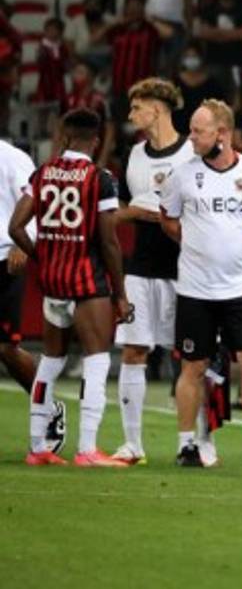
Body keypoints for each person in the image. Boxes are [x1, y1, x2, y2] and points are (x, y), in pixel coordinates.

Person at [159, 99, 242, 469]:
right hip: (194, 289)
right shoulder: (181, 175)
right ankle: (186, 446)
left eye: (198, 131)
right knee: (193, 367)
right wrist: (198, 247)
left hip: (240, 287)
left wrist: (237, 248)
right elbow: (168, 219)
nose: (191, 137)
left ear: (222, 134)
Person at [9, 109, 130, 467]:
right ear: (94, 140)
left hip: (53, 281)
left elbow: (16, 227)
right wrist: (120, 294)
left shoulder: (42, 173)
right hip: (86, 280)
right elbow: (109, 242)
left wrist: (41, 257)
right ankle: (88, 449)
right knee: (96, 359)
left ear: (64, 137)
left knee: (50, 362)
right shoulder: (100, 178)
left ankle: (37, 447)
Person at [112, 78, 195, 465]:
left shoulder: (193, 153)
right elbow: (123, 207)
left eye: (137, 107)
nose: (131, 116)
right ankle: (133, 444)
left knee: (193, 357)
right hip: (142, 268)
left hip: (187, 269)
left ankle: (194, 443)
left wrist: (155, 214)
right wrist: (142, 212)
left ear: (157, 109)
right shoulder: (135, 155)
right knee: (133, 349)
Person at [0, 137, 65, 455]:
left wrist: (20, 244)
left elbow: (39, 207)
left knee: (6, 348)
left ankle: (48, 407)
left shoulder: (11, 158)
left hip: (3, 260)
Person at [107, 0, 164, 113]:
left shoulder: (150, 30)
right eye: (130, 6)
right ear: (125, 9)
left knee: (141, 127)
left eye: (137, 6)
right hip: (118, 87)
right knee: (119, 125)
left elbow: (169, 34)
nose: (133, 10)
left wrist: (150, 20)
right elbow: (94, 39)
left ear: (143, 9)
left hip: (143, 89)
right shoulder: (117, 30)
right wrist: (115, 23)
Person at [195, 0, 242, 80]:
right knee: (213, 94)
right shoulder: (209, 9)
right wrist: (233, 33)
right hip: (213, 61)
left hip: (237, 62)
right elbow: (203, 33)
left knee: (236, 95)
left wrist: (217, 33)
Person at [172, 42, 228, 134]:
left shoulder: (212, 85)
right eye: (188, 56)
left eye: (194, 56)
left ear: (201, 58)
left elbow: (221, 111)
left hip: (206, 135)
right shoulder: (174, 84)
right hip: (179, 135)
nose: (191, 60)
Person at [64, 0, 113, 68]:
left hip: (106, 58)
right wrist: (74, 58)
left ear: (102, 8)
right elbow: (69, 43)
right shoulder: (75, 21)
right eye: (88, 5)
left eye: (95, 5)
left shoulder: (110, 20)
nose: (91, 8)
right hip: (82, 58)